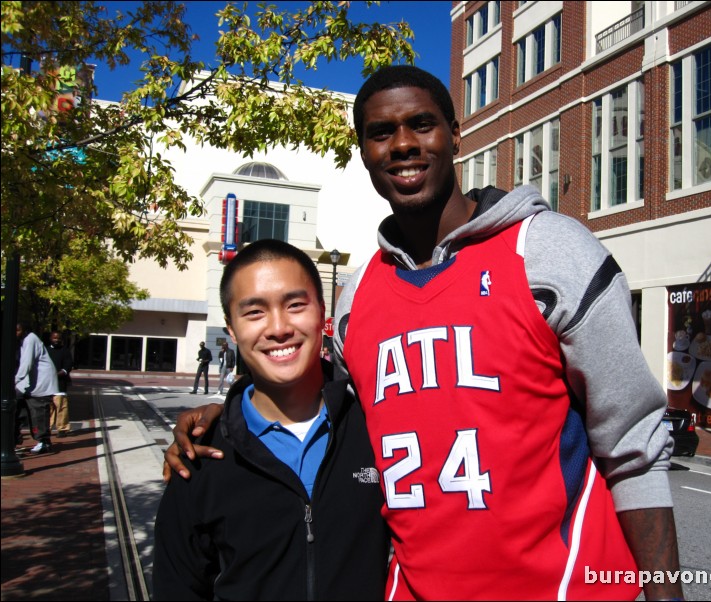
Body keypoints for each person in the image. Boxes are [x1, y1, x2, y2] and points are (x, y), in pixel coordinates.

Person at [165, 66, 683, 600]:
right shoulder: (356, 299)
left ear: (455, 134)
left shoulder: (548, 252)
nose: (403, 145)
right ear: (363, 150)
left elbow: (633, 446)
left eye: (421, 124)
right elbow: (318, 399)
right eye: (381, 133)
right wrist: (226, 417)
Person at [153, 238, 388, 600]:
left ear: (322, 313)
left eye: (295, 305)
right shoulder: (201, 455)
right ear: (231, 329)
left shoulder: (375, 427)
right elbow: (176, 587)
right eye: (254, 312)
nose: (279, 327)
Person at [15, 322, 59, 454]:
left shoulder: (30, 339)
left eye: (17, 330)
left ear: (23, 330)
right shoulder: (24, 341)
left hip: (40, 384)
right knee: (21, 411)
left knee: (38, 413)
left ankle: (44, 442)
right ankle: (15, 440)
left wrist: (15, 380)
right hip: (31, 384)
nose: (15, 333)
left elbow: (26, 364)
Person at [46, 330, 74, 437]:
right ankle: (47, 427)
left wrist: (61, 373)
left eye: (58, 338)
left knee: (61, 406)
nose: (56, 340)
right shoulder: (46, 351)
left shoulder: (65, 351)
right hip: (47, 384)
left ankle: (62, 429)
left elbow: (68, 365)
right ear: (50, 338)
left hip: (60, 383)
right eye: (54, 338)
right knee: (48, 407)